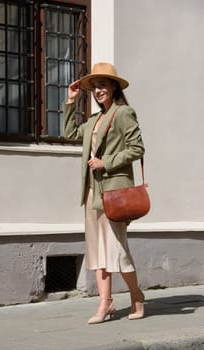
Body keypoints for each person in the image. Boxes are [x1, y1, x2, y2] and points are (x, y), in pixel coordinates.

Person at [63, 62, 145, 324]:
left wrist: (105, 162)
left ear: (114, 87)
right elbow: (70, 133)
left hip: (113, 194)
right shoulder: (94, 120)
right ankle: (105, 304)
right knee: (98, 252)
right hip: (92, 194)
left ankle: (136, 296)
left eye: (103, 84)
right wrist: (71, 102)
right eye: (95, 86)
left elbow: (137, 149)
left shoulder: (123, 113)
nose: (98, 90)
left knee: (118, 252)